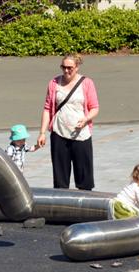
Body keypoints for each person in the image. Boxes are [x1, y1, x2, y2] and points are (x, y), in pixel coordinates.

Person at [36, 54, 100, 190]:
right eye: (63, 67)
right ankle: (61, 205)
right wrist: (42, 133)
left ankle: (85, 203)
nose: (66, 71)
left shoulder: (87, 83)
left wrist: (86, 119)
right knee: (60, 179)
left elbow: (94, 108)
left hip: (81, 134)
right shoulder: (54, 83)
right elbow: (47, 108)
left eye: (69, 68)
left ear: (77, 67)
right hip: (59, 133)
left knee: (84, 178)